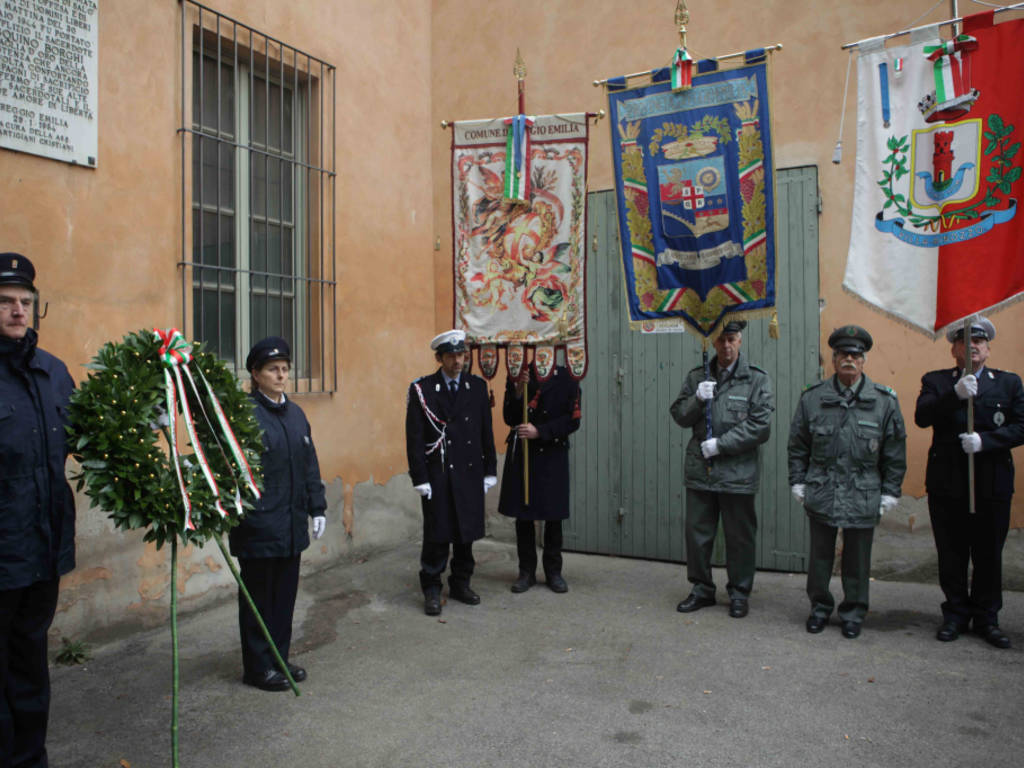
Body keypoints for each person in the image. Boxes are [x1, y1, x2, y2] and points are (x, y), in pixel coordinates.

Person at [0, 253, 76, 767]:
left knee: (30, 662)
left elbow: (87, 438)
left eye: (26, 302)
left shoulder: (54, 373)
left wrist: (142, 419)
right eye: (5, 302)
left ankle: (31, 759)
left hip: (45, 549)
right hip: (2, 552)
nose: (18, 312)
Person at [788, 325, 906, 639]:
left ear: (864, 360)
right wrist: (797, 482)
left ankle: (853, 612)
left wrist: (890, 492)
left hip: (864, 492)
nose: (849, 360)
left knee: (857, 560)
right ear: (834, 359)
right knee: (820, 558)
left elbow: (894, 450)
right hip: (822, 489)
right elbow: (798, 445)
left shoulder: (883, 401)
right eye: (843, 354)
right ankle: (819, 608)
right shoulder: (813, 399)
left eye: (855, 355)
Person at [914, 317, 1024, 649]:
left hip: (991, 484)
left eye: (979, 341)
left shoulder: (1008, 384)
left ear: (988, 349)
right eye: (965, 341)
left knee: (989, 554)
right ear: (955, 350)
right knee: (952, 553)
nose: (973, 345)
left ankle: (987, 618)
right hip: (948, 484)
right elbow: (923, 417)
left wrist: (987, 442)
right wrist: (954, 394)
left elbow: (1021, 426)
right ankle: (956, 614)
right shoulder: (936, 381)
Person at [229, 337, 326, 691]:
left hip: (290, 525)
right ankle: (257, 668)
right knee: (258, 600)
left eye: (285, 369)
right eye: (273, 369)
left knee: (285, 598)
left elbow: (309, 463)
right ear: (255, 374)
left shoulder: (296, 414)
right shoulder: (243, 415)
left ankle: (278, 659)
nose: (281, 375)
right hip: (258, 525)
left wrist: (317, 507)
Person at [669, 320, 775, 618]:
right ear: (711, 343)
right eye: (720, 340)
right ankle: (701, 589)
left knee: (740, 538)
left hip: (737, 473)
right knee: (698, 535)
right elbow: (679, 415)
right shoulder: (696, 377)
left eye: (731, 339)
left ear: (740, 340)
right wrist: (697, 398)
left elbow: (761, 426)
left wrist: (722, 444)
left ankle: (740, 593)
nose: (726, 346)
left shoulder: (756, 380)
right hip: (701, 471)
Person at [406, 330, 497, 616]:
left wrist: (489, 470)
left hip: (469, 471)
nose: (458, 362)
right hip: (439, 473)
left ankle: (461, 582)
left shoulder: (477, 387)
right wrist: (419, 476)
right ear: (439, 358)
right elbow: (414, 436)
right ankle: (432, 588)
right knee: (437, 533)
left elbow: (485, 431)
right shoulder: (423, 389)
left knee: (465, 533)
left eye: (461, 356)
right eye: (451, 356)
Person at [498, 360, 581, 594]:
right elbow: (509, 417)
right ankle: (526, 572)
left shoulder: (569, 377)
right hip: (525, 454)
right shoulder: (521, 373)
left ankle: (554, 572)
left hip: (552, 452)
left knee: (553, 516)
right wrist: (517, 391)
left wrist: (540, 431)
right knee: (524, 516)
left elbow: (573, 421)